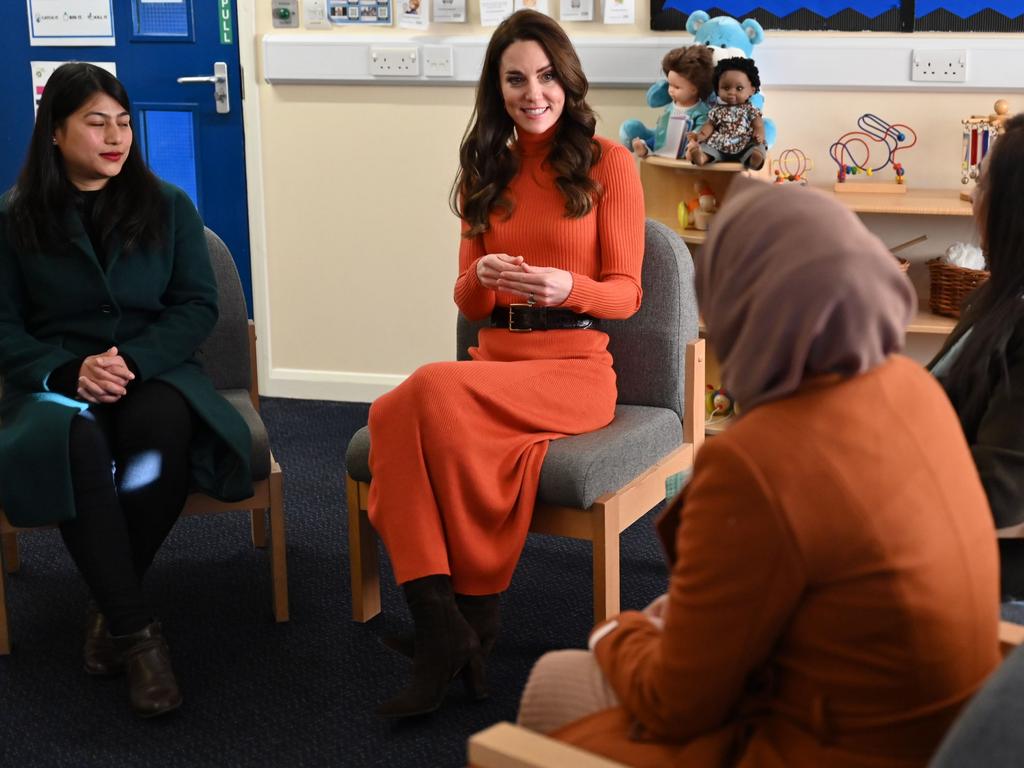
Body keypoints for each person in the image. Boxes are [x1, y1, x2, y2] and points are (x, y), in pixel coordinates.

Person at [517, 179, 1001, 766]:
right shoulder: (913, 389)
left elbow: (676, 704)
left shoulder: (754, 461)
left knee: (553, 682)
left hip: (833, 744)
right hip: (954, 727)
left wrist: (613, 631)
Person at [366, 9, 644, 718]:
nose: (534, 92)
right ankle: (447, 626)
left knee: (425, 389)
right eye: (516, 79)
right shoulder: (484, 166)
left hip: (576, 368)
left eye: (547, 76)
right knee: (390, 410)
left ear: (568, 79)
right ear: (497, 88)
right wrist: (484, 271)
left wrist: (566, 287)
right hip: (498, 361)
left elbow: (627, 295)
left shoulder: (611, 163)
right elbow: (468, 297)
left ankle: (460, 625)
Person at [0, 63, 253, 718]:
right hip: (54, 382)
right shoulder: (16, 217)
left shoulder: (167, 205)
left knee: (161, 437)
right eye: (95, 122)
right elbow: (3, 328)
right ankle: (138, 636)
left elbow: (197, 307)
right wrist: (69, 372)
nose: (116, 137)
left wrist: (130, 361)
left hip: (153, 371)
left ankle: (112, 613)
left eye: (122, 122)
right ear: (55, 132)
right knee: (77, 439)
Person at [929, 113, 1024, 600]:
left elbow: (999, 496)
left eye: (982, 184)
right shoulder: (995, 297)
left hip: (983, 575)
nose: (971, 197)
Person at [621, 45, 713, 160]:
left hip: (686, 142)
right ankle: (644, 148)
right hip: (667, 139)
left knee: (692, 146)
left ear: (694, 89)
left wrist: (694, 135)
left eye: (677, 87)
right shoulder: (671, 105)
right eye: (669, 84)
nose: (670, 90)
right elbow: (665, 122)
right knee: (655, 140)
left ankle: (691, 153)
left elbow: (702, 127)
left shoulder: (701, 110)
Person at [685, 56, 766, 170]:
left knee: (758, 146)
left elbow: (759, 125)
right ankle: (702, 157)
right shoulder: (716, 110)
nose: (731, 92)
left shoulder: (750, 109)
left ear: (751, 90)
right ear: (718, 89)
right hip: (720, 143)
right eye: (726, 87)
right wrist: (700, 136)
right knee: (707, 147)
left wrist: (759, 135)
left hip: (744, 142)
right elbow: (709, 125)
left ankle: (754, 159)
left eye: (739, 88)